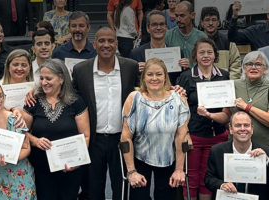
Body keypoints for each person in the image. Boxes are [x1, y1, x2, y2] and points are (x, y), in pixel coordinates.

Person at [72, 27, 139, 200]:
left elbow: (143, 93)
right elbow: (72, 100)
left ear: (117, 44)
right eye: (102, 41)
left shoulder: (130, 67)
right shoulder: (81, 70)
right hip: (94, 140)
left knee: (121, 187)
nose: (106, 45)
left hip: (122, 138)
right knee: (93, 189)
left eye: (110, 41)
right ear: (94, 44)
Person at [120, 58, 189, 200]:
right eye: (150, 74)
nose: (154, 78)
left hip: (168, 160)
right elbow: (125, 137)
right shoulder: (134, 98)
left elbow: (181, 137)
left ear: (165, 77)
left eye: (159, 74)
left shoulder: (178, 99)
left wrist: (179, 170)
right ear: (144, 78)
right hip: (140, 159)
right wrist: (132, 172)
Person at [21, 59, 90, 200]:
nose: (43, 82)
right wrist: (35, 140)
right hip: (41, 168)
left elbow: (85, 136)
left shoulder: (76, 101)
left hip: (69, 167)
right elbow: (22, 132)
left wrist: (77, 162)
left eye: (48, 78)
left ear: (61, 78)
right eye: (41, 78)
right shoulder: (33, 101)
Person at [176, 38, 229, 200]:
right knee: (191, 176)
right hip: (194, 136)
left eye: (209, 52)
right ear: (195, 56)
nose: (206, 55)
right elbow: (179, 110)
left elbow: (227, 112)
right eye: (201, 52)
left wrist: (209, 115)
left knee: (208, 177)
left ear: (215, 55)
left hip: (218, 137)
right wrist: (185, 135)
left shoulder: (224, 76)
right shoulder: (185, 77)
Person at [198, 51, 269, 148]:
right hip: (236, 147)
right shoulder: (232, 85)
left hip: (264, 147)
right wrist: (209, 114)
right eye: (249, 64)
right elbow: (226, 116)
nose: (253, 67)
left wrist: (247, 107)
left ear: (265, 68)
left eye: (258, 64)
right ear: (244, 68)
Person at [204, 111, 269, 200]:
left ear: (252, 129)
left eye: (246, 125)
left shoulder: (268, 152)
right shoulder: (217, 151)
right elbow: (208, 179)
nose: (242, 129)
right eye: (238, 125)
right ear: (231, 129)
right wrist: (221, 185)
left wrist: (267, 161)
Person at [130, 10, 189, 85]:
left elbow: (182, 79)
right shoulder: (136, 54)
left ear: (166, 28)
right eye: (154, 24)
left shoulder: (177, 52)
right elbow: (131, 81)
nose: (158, 28)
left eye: (161, 24)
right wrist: (136, 70)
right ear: (148, 28)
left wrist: (186, 68)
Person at [200, 6, 241, 80]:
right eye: (207, 20)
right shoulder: (197, 42)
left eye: (214, 20)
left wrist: (230, 82)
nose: (210, 23)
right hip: (202, 85)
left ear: (218, 22)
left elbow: (236, 66)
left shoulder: (228, 41)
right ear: (202, 23)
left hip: (225, 85)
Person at [165, 1, 207, 68]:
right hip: (174, 76)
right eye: (176, 16)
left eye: (182, 16)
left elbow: (206, 61)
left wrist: (191, 65)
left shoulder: (202, 37)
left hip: (196, 75)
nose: (178, 19)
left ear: (192, 15)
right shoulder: (168, 35)